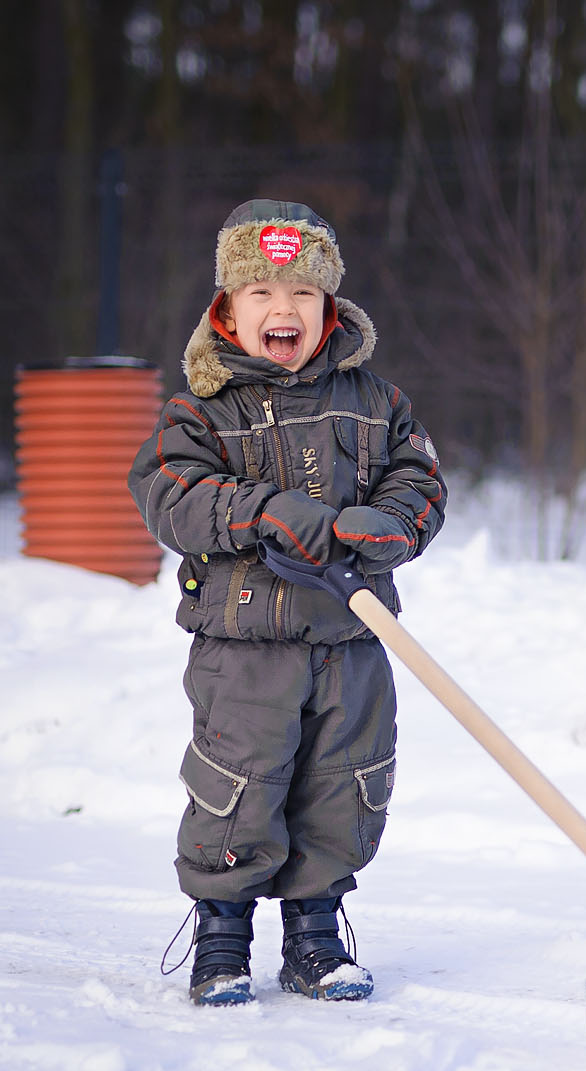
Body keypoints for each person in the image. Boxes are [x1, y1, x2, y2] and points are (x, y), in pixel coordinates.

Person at [129, 199, 446, 1006]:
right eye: (263, 291)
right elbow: (169, 493)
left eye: (304, 292)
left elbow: (419, 479)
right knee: (239, 786)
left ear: (330, 306)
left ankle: (315, 938)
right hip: (245, 648)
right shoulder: (201, 409)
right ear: (228, 308)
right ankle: (221, 938)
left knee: (344, 783)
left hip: (352, 635)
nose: (285, 308)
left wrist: (392, 523)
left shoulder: (375, 400)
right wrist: (260, 511)